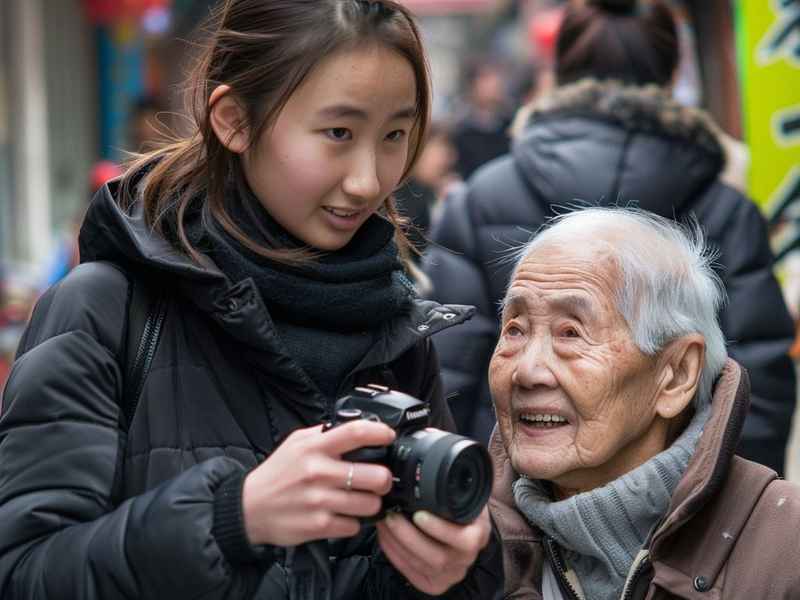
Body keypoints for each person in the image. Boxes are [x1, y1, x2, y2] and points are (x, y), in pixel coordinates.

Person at [0, 1, 501, 598]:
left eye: (395, 135)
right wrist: (231, 518)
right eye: (338, 133)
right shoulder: (104, 310)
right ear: (234, 119)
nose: (370, 180)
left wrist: (460, 565)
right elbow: (25, 570)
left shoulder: (394, 326)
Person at [423, 0, 796, 475]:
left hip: (512, 490)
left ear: (561, 68)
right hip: (679, 505)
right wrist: (728, 521)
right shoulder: (726, 207)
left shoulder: (481, 196)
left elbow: (446, 371)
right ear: (670, 69)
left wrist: (472, 501)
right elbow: (758, 384)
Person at [488, 207, 800, 599]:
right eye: (515, 329)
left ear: (677, 374)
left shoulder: (786, 549)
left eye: (571, 333)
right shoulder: (457, 547)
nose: (527, 371)